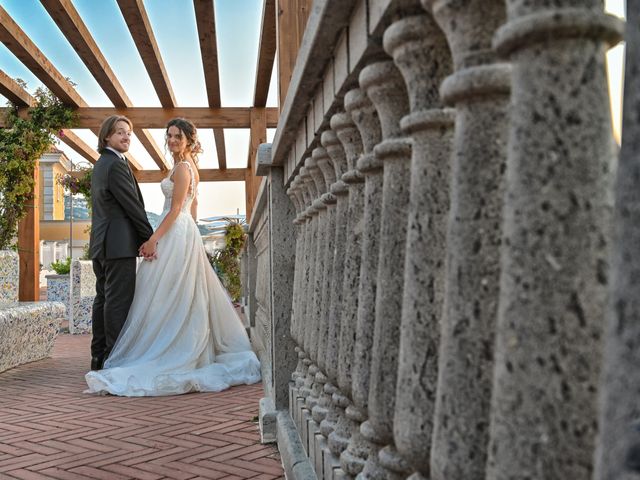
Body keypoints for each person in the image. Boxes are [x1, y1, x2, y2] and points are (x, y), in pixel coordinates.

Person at [85, 118, 260, 396]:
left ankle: (121, 353)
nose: (172, 140)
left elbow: (178, 208)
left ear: (189, 140)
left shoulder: (182, 168)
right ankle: (110, 354)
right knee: (157, 293)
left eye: (178, 136)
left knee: (166, 292)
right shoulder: (144, 165)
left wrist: (152, 238)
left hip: (174, 232)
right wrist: (152, 236)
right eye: (169, 135)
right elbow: (179, 207)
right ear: (107, 137)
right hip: (163, 233)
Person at [89, 115, 154, 372]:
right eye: (120, 133)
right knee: (117, 302)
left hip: (102, 244)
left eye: (128, 133)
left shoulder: (101, 163)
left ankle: (99, 358)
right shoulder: (115, 165)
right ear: (107, 136)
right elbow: (132, 206)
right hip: (118, 245)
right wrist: (149, 238)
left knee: (103, 299)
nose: (126, 137)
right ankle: (115, 360)